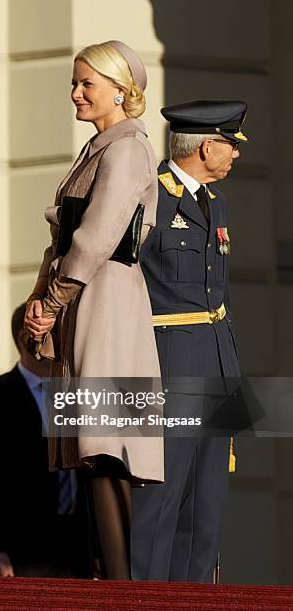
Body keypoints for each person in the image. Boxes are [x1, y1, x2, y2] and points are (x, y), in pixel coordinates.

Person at [24, 40, 163, 580]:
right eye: (75, 82)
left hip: (105, 299)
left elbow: (98, 234)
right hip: (84, 297)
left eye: (86, 83)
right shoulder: (99, 147)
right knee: (90, 444)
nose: (76, 92)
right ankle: (106, 576)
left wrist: (55, 297)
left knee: (106, 443)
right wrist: (43, 302)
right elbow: (62, 240)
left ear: (120, 90)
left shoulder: (128, 148)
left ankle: (124, 581)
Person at [131, 100, 247, 583]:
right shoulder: (149, 196)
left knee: (208, 502)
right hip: (171, 361)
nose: (236, 155)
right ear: (205, 146)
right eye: (230, 145)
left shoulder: (214, 202)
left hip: (218, 360)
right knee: (162, 496)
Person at [0, 303, 91, 578]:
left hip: (79, 550)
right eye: (54, 331)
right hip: (18, 554)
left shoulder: (82, 393)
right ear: (27, 339)